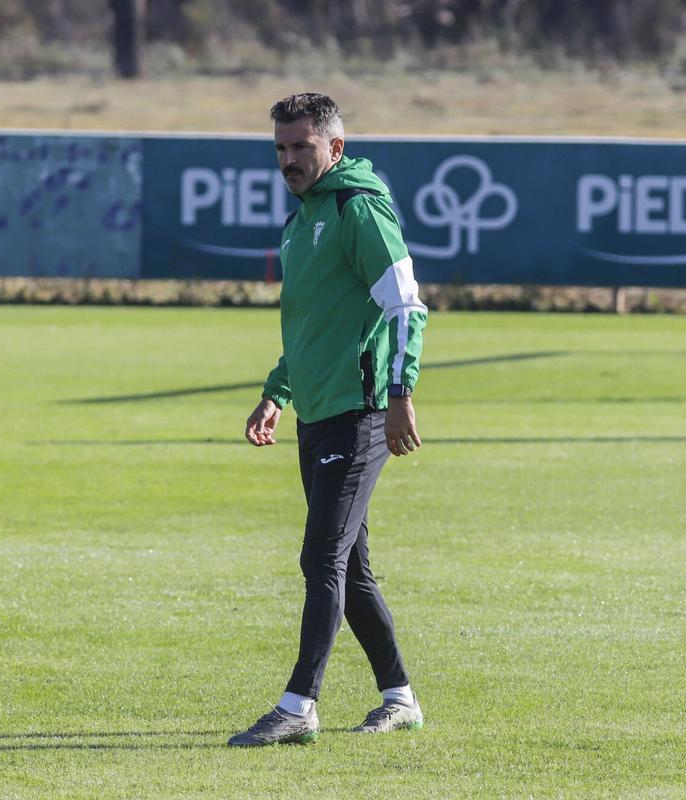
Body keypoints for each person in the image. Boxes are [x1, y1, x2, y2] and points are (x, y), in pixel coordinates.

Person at [228, 93, 428, 747]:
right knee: (352, 568)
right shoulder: (300, 221)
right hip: (317, 414)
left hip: (360, 413)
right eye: (281, 149)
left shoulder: (356, 210)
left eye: (301, 148)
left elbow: (406, 307)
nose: (289, 160)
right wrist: (276, 393)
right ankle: (399, 698)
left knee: (321, 558)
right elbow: (310, 326)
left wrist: (400, 391)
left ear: (334, 148)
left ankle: (298, 706)